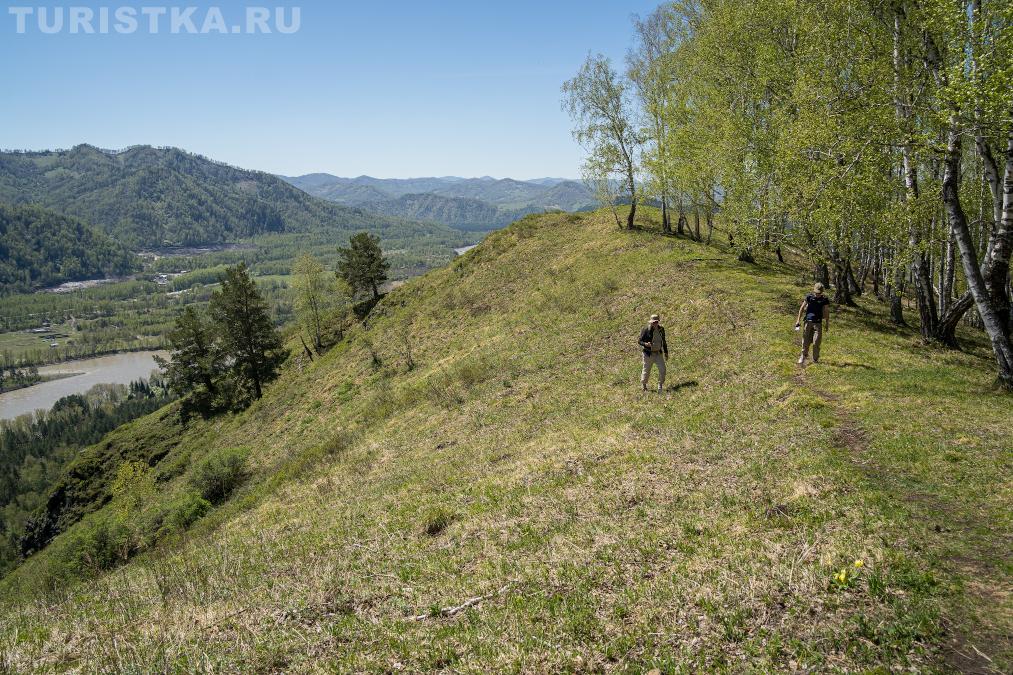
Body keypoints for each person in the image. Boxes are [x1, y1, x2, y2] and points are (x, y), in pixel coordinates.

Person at [795, 283, 830, 364]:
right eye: (816, 293)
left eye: (819, 293)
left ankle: (815, 359)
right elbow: (802, 308)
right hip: (808, 322)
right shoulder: (809, 297)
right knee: (805, 341)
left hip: (818, 323)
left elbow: (827, 311)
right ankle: (803, 356)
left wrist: (827, 323)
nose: (818, 295)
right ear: (814, 291)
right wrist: (798, 320)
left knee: (816, 342)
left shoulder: (824, 300)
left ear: (822, 292)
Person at [638, 314, 668, 392]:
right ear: (651, 322)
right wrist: (645, 344)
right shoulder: (645, 329)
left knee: (663, 370)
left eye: (656, 322)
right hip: (648, 354)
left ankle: (660, 384)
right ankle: (644, 386)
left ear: (658, 322)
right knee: (646, 371)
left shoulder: (661, 329)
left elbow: (663, 341)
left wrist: (666, 352)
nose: (655, 323)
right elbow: (639, 341)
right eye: (653, 322)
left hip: (658, 353)